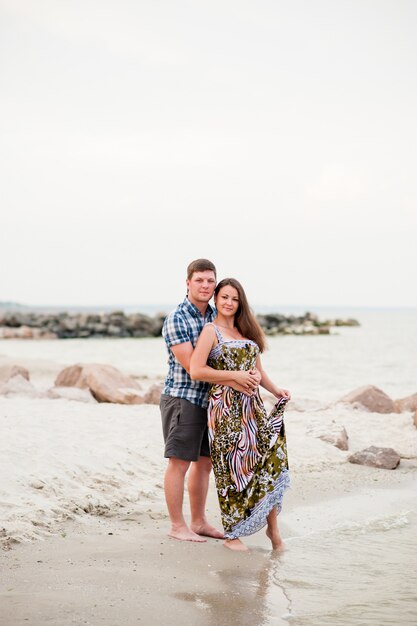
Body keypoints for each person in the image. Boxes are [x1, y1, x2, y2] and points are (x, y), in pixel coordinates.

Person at [160, 260, 261, 542]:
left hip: (214, 403)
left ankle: (200, 521)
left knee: (204, 463)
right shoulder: (177, 319)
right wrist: (238, 378)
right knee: (179, 462)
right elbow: (194, 369)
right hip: (184, 398)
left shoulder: (216, 316)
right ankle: (177, 526)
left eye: (209, 281)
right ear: (188, 283)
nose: (205, 286)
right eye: (200, 280)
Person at [190, 278, 291, 552]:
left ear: (240, 302)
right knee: (230, 471)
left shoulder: (246, 331)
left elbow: (259, 372)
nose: (228, 303)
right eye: (224, 297)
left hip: (252, 407)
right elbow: (197, 370)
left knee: (266, 463)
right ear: (216, 299)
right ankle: (233, 533)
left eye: (234, 298)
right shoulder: (211, 331)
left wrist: (276, 390)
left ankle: (273, 530)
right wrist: (234, 376)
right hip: (224, 409)